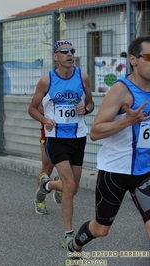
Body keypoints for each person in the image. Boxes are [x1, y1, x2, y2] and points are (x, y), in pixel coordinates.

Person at [64, 36, 150, 262]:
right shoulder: (121, 90)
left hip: (145, 170)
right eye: (149, 57)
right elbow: (96, 131)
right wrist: (126, 122)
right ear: (133, 59)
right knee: (101, 228)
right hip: (116, 170)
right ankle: (74, 245)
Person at [28, 40, 94, 247]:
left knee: (71, 189)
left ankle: (46, 184)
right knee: (70, 185)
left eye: (72, 51)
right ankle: (69, 234)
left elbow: (90, 103)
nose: (70, 54)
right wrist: (45, 120)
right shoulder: (46, 80)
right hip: (56, 138)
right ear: (55, 57)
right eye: (64, 51)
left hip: (78, 137)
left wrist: (87, 108)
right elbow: (32, 108)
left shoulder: (83, 77)